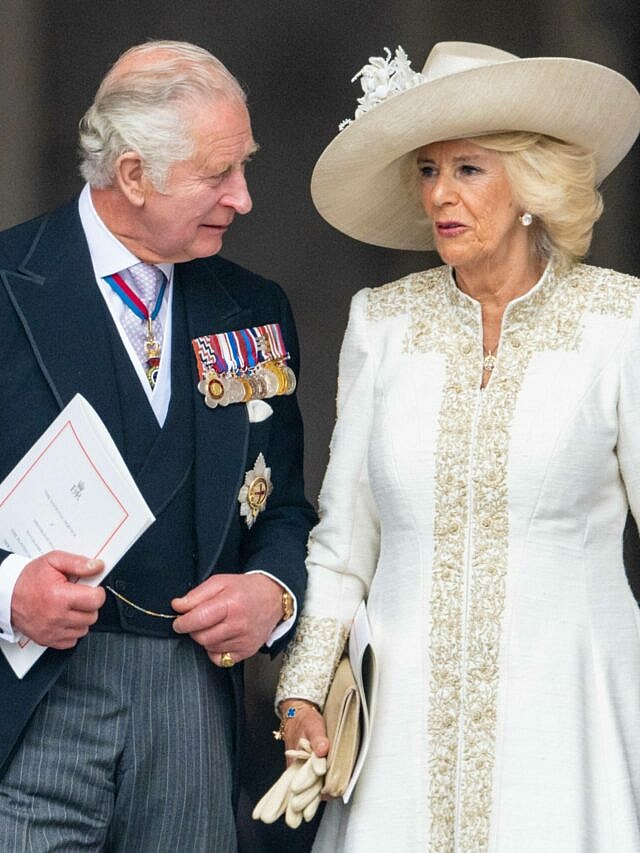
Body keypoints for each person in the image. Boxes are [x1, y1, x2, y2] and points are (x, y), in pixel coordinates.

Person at [274, 41, 640, 851]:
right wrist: (302, 687)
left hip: (571, 724)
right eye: (428, 169)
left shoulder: (622, 323)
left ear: (531, 185)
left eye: (468, 169)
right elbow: (344, 541)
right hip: (400, 735)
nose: (440, 193)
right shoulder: (383, 322)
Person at [0, 40, 315, 852]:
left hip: (191, 701)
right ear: (134, 175)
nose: (243, 198)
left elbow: (282, 506)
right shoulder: (5, 284)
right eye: (220, 174)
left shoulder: (254, 308)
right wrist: (8, 593)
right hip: (31, 698)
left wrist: (270, 594)